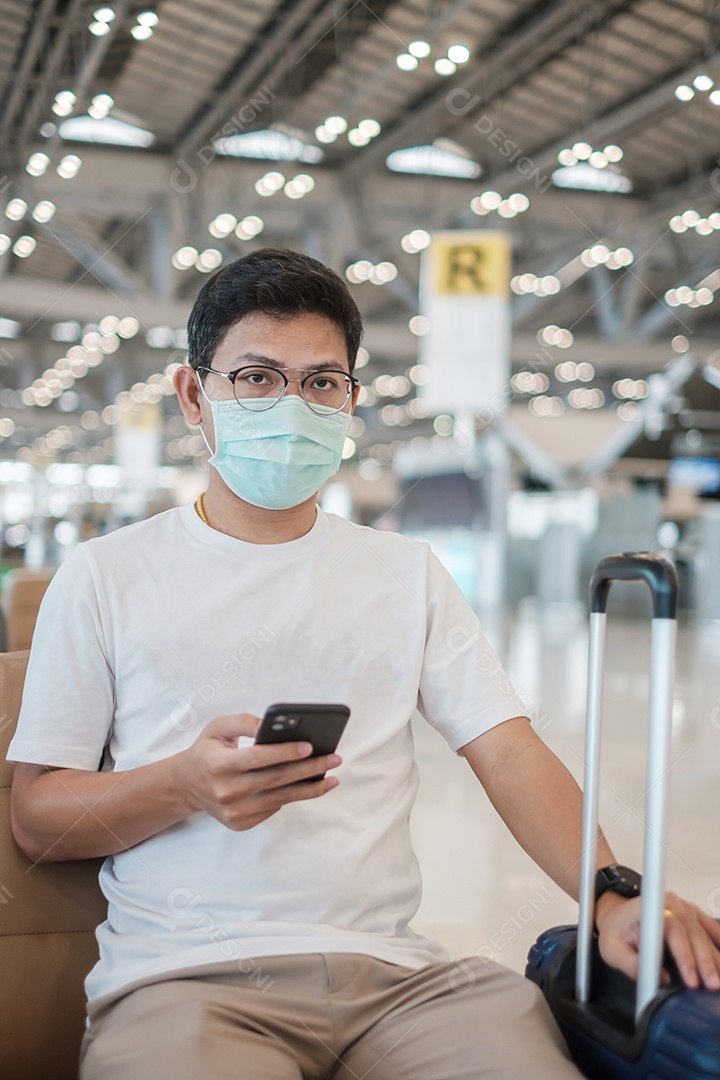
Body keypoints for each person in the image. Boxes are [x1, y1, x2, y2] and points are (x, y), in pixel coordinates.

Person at [8, 248, 720, 1080]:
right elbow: (37, 816)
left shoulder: (404, 572)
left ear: (349, 401)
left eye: (321, 383)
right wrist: (183, 785)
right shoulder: (104, 577)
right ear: (194, 395)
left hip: (400, 982)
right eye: (257, 377)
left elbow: (510, 752)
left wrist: (613, 894)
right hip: (185, 982)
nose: (292, 403)